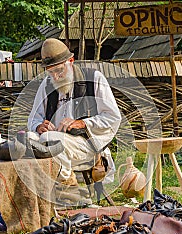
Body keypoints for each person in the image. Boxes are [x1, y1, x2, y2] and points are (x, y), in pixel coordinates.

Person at [27, 38, 121, 190]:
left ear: (71, 61)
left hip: (88, 145)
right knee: (28, 139)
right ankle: (53, 184)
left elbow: (113, 117)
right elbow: (33, 118)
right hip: (54, 143)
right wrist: (38, 126)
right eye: (51, 72)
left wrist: (84, 123)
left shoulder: (94, 78)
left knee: (49, 139)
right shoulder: (46, 85)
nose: (55, 77)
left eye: (59, 70)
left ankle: (67, 187)